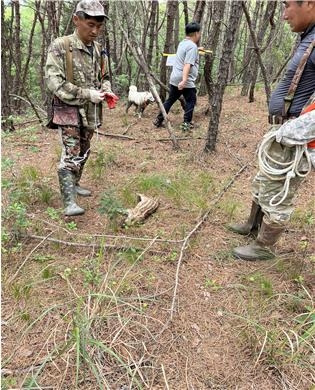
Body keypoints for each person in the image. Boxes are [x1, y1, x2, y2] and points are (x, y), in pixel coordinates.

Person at [230, 0, 315, 261]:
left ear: (309, 4)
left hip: (294, 134)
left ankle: (264, 246)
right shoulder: (308, 38)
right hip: (283, 130)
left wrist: (298, 130)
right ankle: (252, 225)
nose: (283, 14)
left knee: (280, 190)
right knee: (265, 180)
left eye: (288, 5)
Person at [45, 0, 118, 216]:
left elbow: (104, 76)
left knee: (85, 149)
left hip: (91, 112)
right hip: (68, 109)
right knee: (71, 152)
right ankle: (69, 202)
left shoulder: (97, 49)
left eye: (99, 26)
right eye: (90, 25)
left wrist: (106, 89)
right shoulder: (61, 46)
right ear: (77, 20)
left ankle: (75, 183)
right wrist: (87, 94)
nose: (95, 31)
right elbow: (54, 81)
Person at [153, 22, 202, 132]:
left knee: (170, 100)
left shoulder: (183, 43)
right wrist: (184, 80)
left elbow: (186, 54)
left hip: (175, 77)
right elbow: (187, 64)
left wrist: (198, 50)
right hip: (185, 79)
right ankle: (186, 124)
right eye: (199, 33)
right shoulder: (192, 47)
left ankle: (158, 119)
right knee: (191, 100)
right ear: (196, 33)